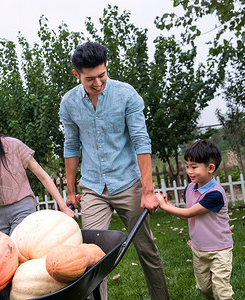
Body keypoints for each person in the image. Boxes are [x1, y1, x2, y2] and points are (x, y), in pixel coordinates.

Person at [59, 42, 169, 300]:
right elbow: (71, 146)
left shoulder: (127, 95)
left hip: (128, 184)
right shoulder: (69, 103)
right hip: (93, 187)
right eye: (90, 79)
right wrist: (72, 191)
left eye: (102, 75)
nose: (98, 83)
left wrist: (148, 191)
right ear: (77, 75)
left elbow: (142, 141)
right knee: (90, 257)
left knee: (146, 249)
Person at [0, 106, 74, 239]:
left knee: (16, 246)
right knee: (1, 255)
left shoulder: (14, 146)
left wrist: (63, 207)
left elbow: (43, 176)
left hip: (23, 208)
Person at [156, 140, 234, 300]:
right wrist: (168, 204)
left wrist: (164, 206)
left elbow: (190, 213)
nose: (189, 171)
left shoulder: (215, 194)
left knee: (222, 291)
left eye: (194, 166)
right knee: (204, 288)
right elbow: (187, 216)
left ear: (210, 168)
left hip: (219, 250)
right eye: (187, 166)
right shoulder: (190, 189)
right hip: (199, 249)